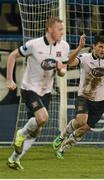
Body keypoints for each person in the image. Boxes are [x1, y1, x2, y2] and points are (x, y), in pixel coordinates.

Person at [53, 35, 104, 159]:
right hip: (84, 97)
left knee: (84, 128)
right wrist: (80, 47)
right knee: (81, 120)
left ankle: (63, 148)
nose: (103, 50)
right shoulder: (85, 58)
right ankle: (62, 136)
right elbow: (69, 62)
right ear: (94, 46)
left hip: (100, 101)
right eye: (100, 47)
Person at [6, 16, 69, 170]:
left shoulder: (64, 47)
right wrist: (9, 79)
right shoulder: (34, 45)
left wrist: (61, 69)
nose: (62, 32)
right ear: (50, 29)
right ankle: (20, 133)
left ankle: (14, 159)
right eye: (59, 29)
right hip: (29, 89)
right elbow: (12, 55)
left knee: (38, 128)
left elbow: (62, 72)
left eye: (63, 29)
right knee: (43, 118)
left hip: (46, 91)